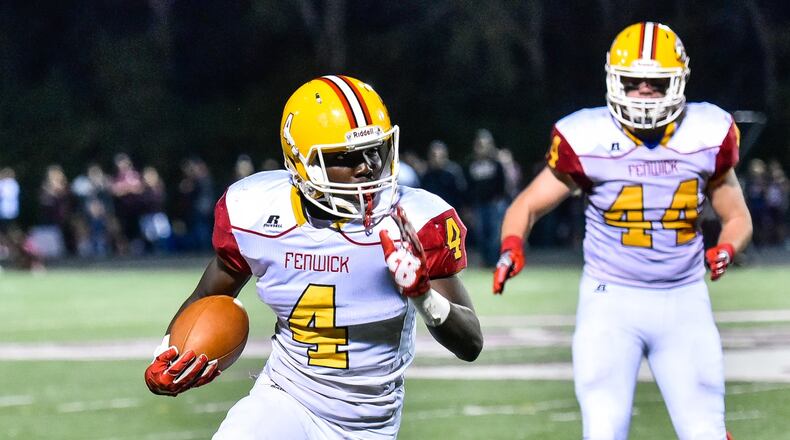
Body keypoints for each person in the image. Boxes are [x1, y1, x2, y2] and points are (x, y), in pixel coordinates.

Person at [144, 75, 483, 439]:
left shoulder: (415, 221)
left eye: (374, 150)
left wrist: (425, 298)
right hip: (285, 400)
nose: (367, 166)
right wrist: (170, 351)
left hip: (369, 424)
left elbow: (471, 343)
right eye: (345, 157)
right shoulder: (256, 212)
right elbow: (209, 297)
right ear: (301, 163)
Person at [493, 22, 751, 440]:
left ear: (680, 81)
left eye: (656, 82)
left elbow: (736, 215)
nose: (644, 92)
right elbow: (527, 204)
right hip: (609, 302)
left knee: (706, 431)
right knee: (604, 431)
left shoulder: (707, 132)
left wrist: (727, 248)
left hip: (684, 299)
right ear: (614, 80)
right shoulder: (585, 136)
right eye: (633, 82)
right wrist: (511, 247)